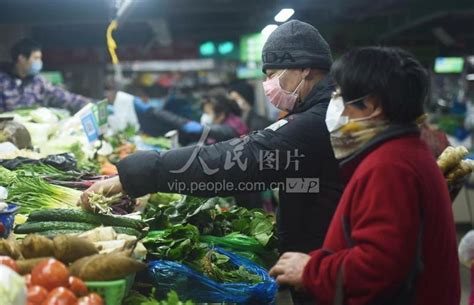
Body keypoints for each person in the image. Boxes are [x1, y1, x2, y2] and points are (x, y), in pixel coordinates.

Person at [80, 19, 342, 283]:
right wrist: (290, 186)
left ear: (305, 68)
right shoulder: (320, 112)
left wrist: (140, 175)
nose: (268, 84)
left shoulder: (318, 120)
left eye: (272, 74)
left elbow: (237, 159)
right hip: (314, 258)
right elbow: (318, 182)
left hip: (324, 268)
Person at [269, 47, 460, 305]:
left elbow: (379, 266)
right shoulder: (406, 152)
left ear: (371, 105)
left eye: (340, 95)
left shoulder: (390, 167)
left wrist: (310, 270)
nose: (335, 105)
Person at [0, 38, 91, 113]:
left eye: (40, 58)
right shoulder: (3, 82)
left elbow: (64, 97)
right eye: (36, 58)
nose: (39, 62)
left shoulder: (38, 82)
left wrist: (91, 104)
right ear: (22, 59)